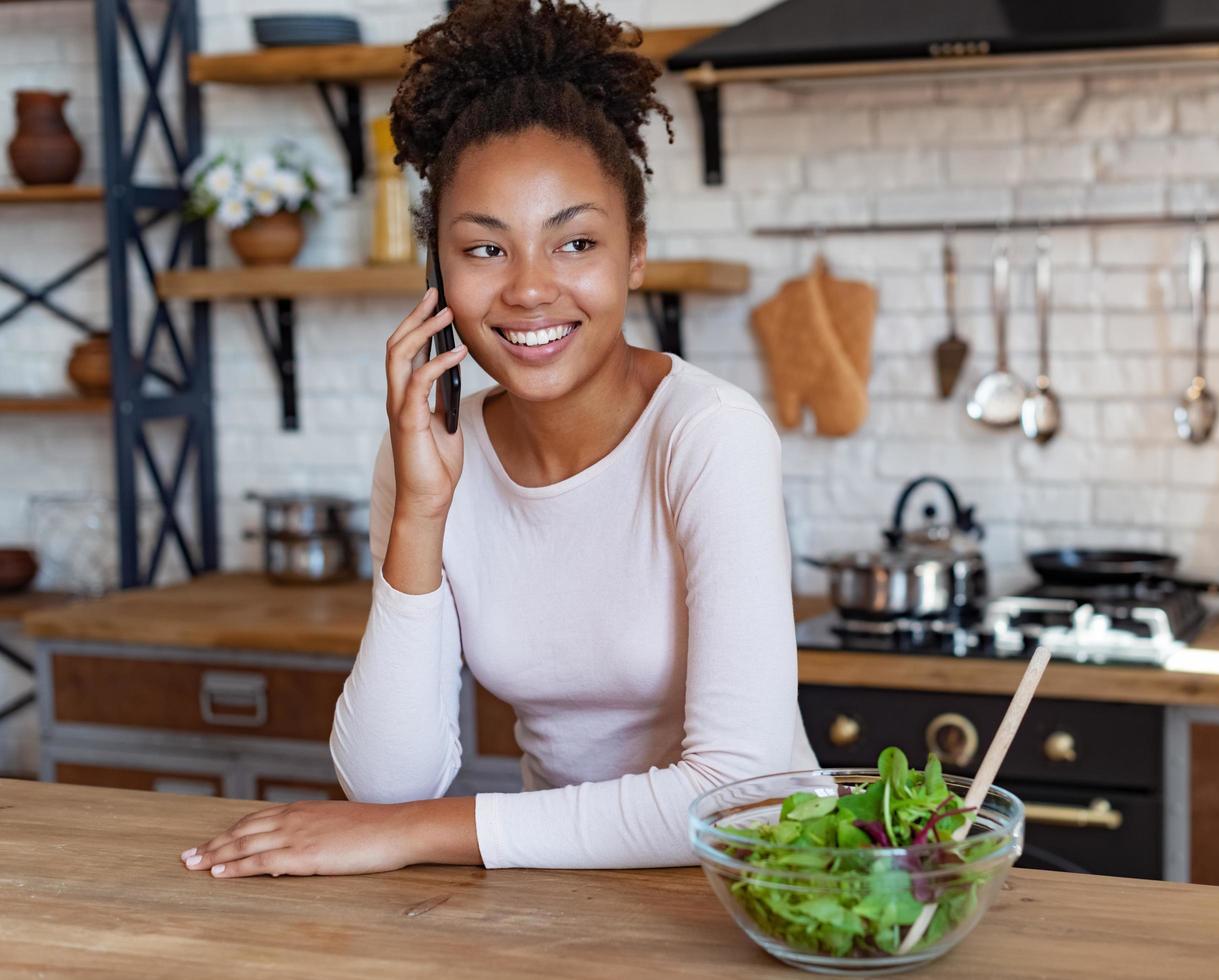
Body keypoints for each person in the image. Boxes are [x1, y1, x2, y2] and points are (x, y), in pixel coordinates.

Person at [177, 0, 816, 879]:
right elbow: (384, 783)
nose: (528, 290)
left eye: (575, 242)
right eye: (484, 251)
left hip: (752, 899)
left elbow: (741, 793)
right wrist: (421, 511)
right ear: (436, 268)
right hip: (553, 907)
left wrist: (420, 834)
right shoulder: (432, 451)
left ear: (634, 253)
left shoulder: (710, 436)